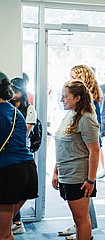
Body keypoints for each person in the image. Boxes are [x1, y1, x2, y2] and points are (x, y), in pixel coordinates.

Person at [52, 80, 100, 240]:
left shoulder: (86, 119)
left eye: (65, 97)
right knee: (78, 220)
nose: (62, 100)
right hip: (67, 174)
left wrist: (90, 180)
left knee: (82, 220)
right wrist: (56, 172)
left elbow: (95, 151)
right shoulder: (70, 115)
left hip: (78, 177)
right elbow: (62, 148)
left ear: (77, 98)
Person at [0, 71, 38, 240]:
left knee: (3, 234)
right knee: (5, 231)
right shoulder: (15, 112)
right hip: (27, 171)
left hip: (9, 172)